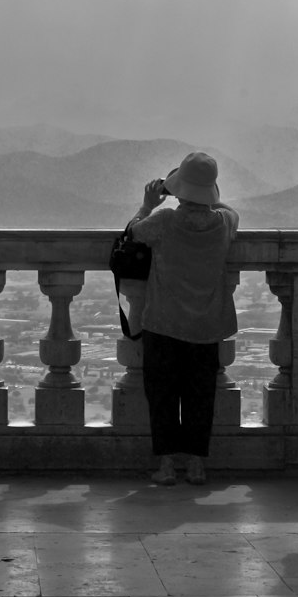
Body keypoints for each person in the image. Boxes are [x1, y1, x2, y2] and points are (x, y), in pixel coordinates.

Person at [122, 151, 239, 487]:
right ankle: (198, 466)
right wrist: (207, 195)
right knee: (201, 396)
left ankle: (168, 466)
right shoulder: (223, 224)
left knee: (163, 396)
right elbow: (231, 212)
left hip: (164, 322)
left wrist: (148, 203)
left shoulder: (164, 221)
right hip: (205, 327)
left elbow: (133, 232)